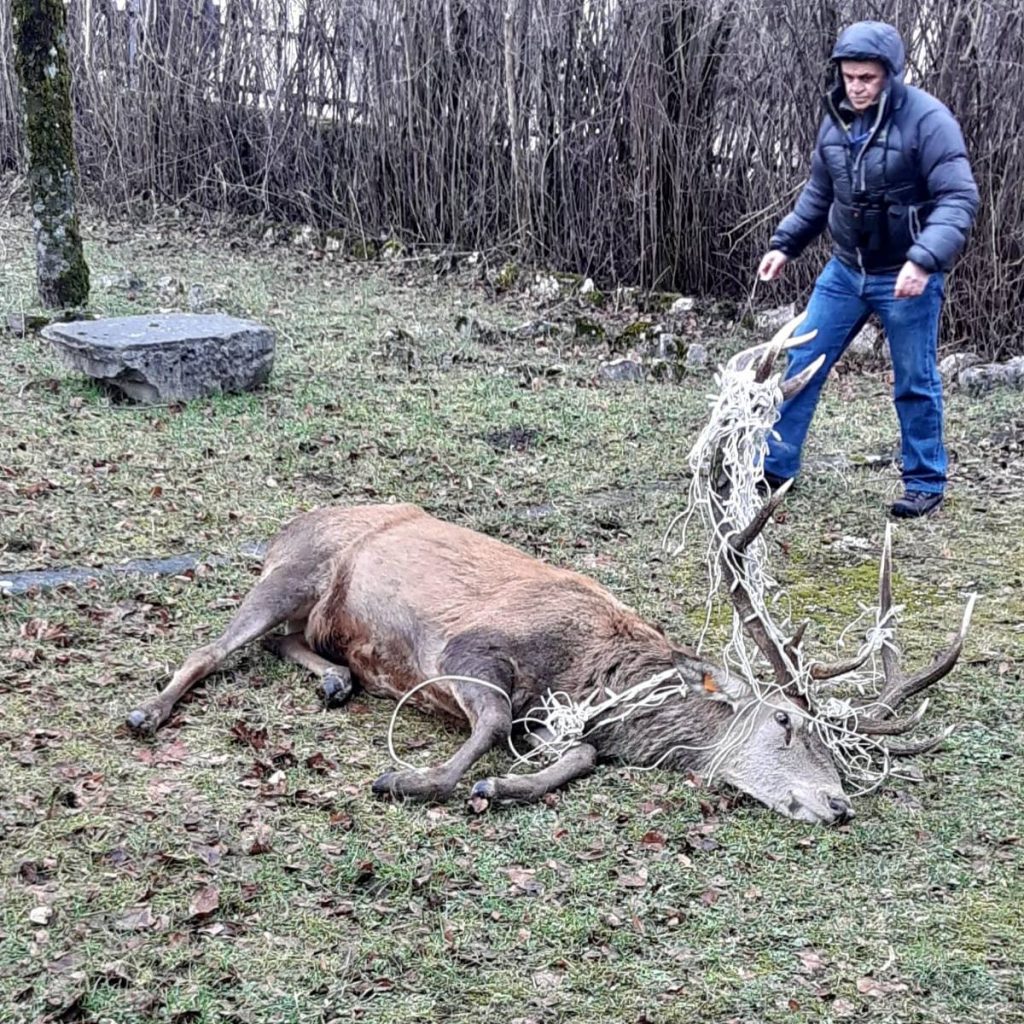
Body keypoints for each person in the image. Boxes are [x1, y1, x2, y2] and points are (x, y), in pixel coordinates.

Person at [758, 20, 979, 518]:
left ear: (890, 76)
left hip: (906, 274)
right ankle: (774, 468)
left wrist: (924, 259)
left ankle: (924, 483)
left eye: (867, 79)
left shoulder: (928, 120)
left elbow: (959, 198)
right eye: (849, 77)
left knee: (914, 378)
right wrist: (785, 244)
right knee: (803, 361)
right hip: (844, 271)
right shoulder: (836, 121)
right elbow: (818, 195)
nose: (856, 87)